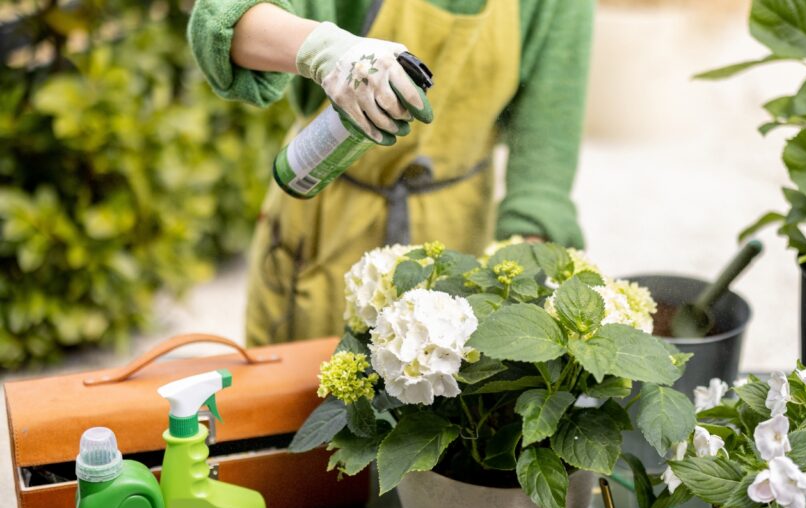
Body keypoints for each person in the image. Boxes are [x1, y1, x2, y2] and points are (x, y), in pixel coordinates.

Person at [188, 0, 594, 345]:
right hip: (327, 230)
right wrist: (326, 50)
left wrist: (522, 282)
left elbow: (544, 162)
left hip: (458, 237)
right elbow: (224, 20)